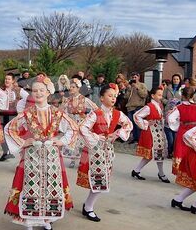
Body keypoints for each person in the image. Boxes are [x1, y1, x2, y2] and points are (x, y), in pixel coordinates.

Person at [4, 77, 75, 230]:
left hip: (51, 155)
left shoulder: (57, 112)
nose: (37, 93)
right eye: (34, 91)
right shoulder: (27, 113)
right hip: (32, 156)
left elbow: (73, 128)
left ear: (49, 92)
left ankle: (47, 219)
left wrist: (62, 141)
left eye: (41, 90)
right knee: (31, 187)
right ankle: (28, 228)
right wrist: (23, 142)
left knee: (50, 187)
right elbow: (9, 128)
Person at [77, 83, 134, 222]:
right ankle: (89, 207)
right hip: (95, 151)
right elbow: (83, 128)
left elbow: (128, 124)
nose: (113, 98)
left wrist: (118, 133)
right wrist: (96, 137)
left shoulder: (117, 114)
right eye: (110, 96)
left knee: (103, 180)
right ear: (101, 98)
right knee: (100, 180)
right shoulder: (95, 113)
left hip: (107, 150)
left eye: (115, 96)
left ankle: (88, 206)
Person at [132, 85, 171, 182]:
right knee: (152, 153)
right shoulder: (148, 107)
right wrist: (146, 123)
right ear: (153, 96)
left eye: (161, 95)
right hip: (151, 133)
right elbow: (136, 116)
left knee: (158, 153)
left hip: (158, 132)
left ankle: (139, 170)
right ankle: (159, 173)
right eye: (159, 95)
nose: (161, 97)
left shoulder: (159, 105)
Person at [60, 77, 96, 168]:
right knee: (73, 141)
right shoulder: (68, 100)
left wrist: (89, 118)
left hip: (81, 123)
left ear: (78, 88)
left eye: (73, 87)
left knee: (82, 142)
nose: (71, 89)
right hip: (72, 123)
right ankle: (73, 159)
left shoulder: (84, 99)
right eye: (70, 87)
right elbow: (61, 111)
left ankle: (82, 160)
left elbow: (95, 109)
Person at [168, 84, 196, 176]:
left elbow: (171, 119)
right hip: (195, 132)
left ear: (182, 95)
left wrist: (177, 126)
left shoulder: (179, 107)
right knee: (192, 152)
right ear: (193, 95)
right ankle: (192, 173)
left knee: (181, 151)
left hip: (183, 131)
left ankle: (182, 174)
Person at [0, 73, 28, 162]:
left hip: (13, 114)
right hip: (1, 113)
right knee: (1, 134)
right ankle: (5, 152)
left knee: (12, 133)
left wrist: (21, 108)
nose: (7, 80)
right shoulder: (0, 90)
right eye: (6, 79)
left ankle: (16, 152)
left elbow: (27, 97)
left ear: (13, 81)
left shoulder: (18, 90)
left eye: (9, 79)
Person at [125, 73, 148, 144]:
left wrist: (137, 87)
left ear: (138, 77)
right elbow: (126, 97)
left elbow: (144, 95)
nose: (134, 78)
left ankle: (140, 139)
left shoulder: (142, 85)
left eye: (135, 77)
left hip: (138, 106)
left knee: (138, 124)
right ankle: (134, 138)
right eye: (133, 77)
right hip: (130, 107)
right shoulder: (130, 86)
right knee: (131, 124)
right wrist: (129, 89)